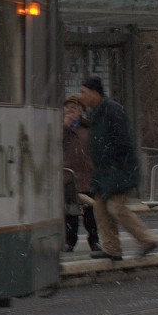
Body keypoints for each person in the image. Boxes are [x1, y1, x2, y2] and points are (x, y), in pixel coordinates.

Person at [79, 75, 157, 261]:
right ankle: (112, 248)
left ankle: (147, 239)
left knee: (115, 207)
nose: (81, 96)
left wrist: (115, 165)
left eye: (84, 92)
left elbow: (123, 141)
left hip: (118, 170)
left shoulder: (111, 110)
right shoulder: (96, 113)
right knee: (100, 209)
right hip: (104, 171)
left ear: (94, 93)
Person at [61, 94, 100, 254]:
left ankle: (94, 240)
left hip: (87, 176)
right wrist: (66, 126)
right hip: (69, 177)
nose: (71, 111)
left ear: (81, 111)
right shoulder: (62, 128)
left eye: (75, 108)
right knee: (70, 212)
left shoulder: (88, 129)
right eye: (68, 107)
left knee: (90, 212)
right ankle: (70, 241)